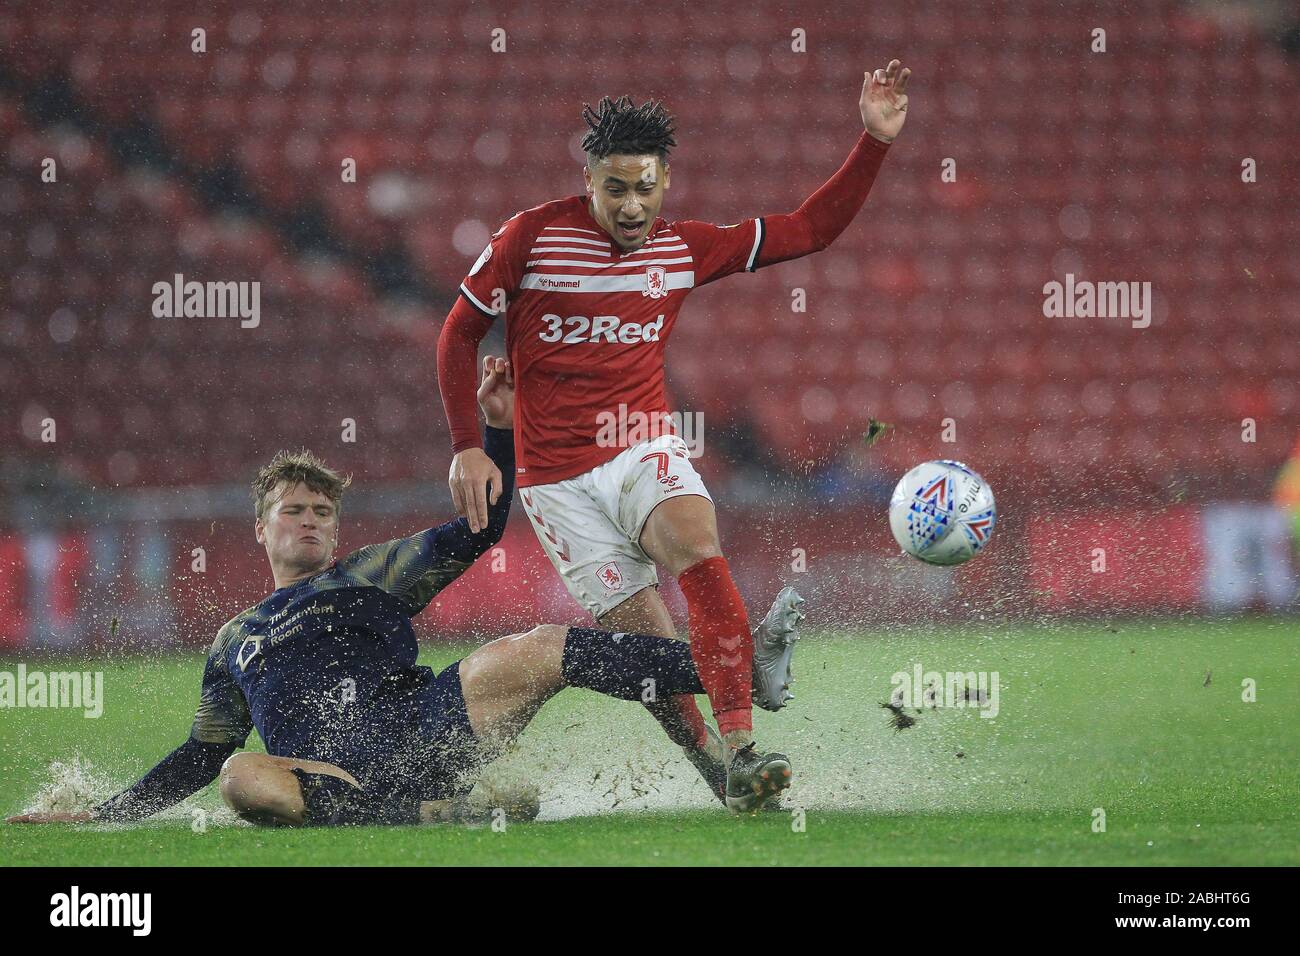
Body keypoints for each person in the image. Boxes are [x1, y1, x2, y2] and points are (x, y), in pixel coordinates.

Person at [8, 357, 803, 827]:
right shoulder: (232, 640)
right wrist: (102, 814)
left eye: (323, 511)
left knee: (535, 646)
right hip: (328, 775)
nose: (312, 522)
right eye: (295, 511)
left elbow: (480, 531)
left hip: (423, 724)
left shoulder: (369, 574)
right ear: (261, 529)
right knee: (236, 778)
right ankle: (433, 814)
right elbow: (201, 751)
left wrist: (496, 431)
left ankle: (736, 670)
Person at [438, 60, 908, 807]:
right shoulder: (529, 237)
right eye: (615, 188)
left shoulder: (683, 248)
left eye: (646, 187)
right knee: (650, 657)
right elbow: (459, 334)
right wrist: (469, 442)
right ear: (589, 182)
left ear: (665, 183)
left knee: (695, 543)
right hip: (554, 485)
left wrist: (874, 142)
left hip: (639, 445)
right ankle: (727, 780)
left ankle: (745, 740)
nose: (632, 205)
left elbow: (810, 229)